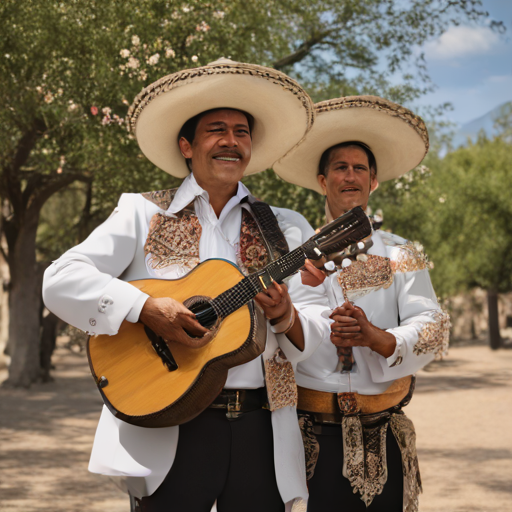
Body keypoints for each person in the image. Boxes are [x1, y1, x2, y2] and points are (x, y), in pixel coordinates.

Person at [42, 58, 329, 512]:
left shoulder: (287, 229)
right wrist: (144, 307)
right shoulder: (141, 213)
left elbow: (316, 327)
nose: (231, 141)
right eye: (217, 129)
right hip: (168, 425)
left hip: (262, 427)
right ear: (186, 146)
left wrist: (285, 315)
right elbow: (59, 278)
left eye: (242, 132)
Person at [274, 95, 450, 511]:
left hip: (383, 431)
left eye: (359, 169)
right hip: (304, 435)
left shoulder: (403, 252)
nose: (349, 176)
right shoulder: (289, 255)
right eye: (340, 167)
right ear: (322, 179)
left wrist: (378, 338)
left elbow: (434, 326)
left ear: (373, 181)